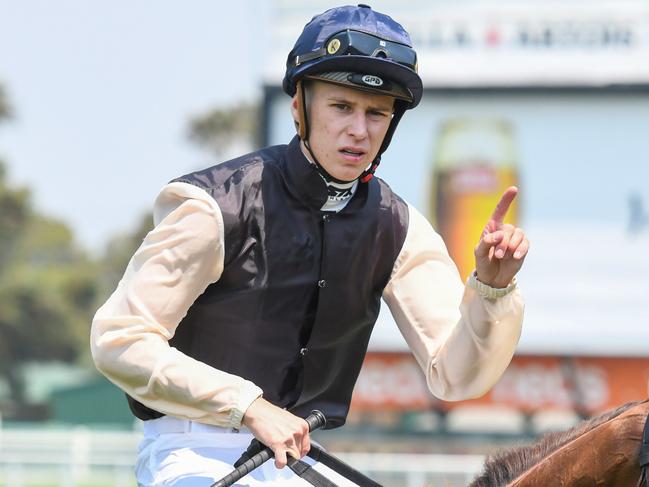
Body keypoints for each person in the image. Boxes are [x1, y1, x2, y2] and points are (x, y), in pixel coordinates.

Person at [91, 4, 528, 486]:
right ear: (300, 105)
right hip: (193, 449)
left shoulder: (399, 225)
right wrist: (249, 407)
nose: (359, 130)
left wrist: (491, 290)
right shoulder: (213, 206)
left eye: (377, 114)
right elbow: (119, 339)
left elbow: (456, 375)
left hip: (300, 457)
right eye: (341, 107)